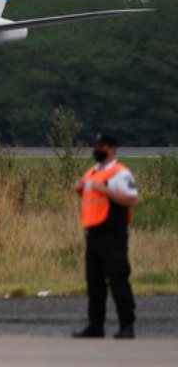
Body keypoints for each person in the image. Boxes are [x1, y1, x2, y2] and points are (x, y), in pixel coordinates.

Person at [72, 133, 139, 340]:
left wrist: (106, 191)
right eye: (96, 146)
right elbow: (88, 194)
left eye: (101, 146)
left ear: (112, 149)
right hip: (93, 233)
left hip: (113, 233)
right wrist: (80, 189)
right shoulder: (93, 171)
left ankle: (127, 325)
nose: (97, 150)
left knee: (118, 280)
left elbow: (131, 199)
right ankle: (95, 325)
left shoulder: (120, 174)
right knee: (94, 282)